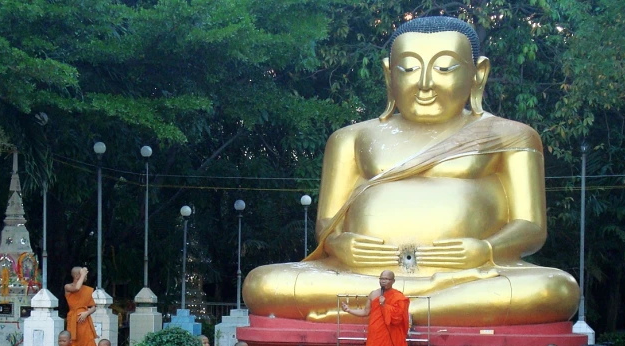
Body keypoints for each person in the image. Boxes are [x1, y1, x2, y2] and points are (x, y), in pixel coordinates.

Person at [242, 16, 580, 326]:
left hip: (470, 276)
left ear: (478, 74)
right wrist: (341, 245)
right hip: (361, 274)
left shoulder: (511, 135)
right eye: (409, 69)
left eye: (445, 68)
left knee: (556, 290)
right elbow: (326, 227)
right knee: (264, 284)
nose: (425, 84)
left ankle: (401, 310)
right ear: (389, 74)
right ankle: (411, 306)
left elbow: (531, 227)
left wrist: (486, 250)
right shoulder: (351, 139)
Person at [64, 266, 97, 346]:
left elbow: (93, 307)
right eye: (84, 275)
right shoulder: (68, 286)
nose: (86, 277)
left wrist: (86, 313)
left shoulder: (87, 289)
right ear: (77, 276)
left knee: (88, 343)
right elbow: (77, 288)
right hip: (74, 320)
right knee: (74, 342)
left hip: (85, 321)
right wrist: (82, 274)